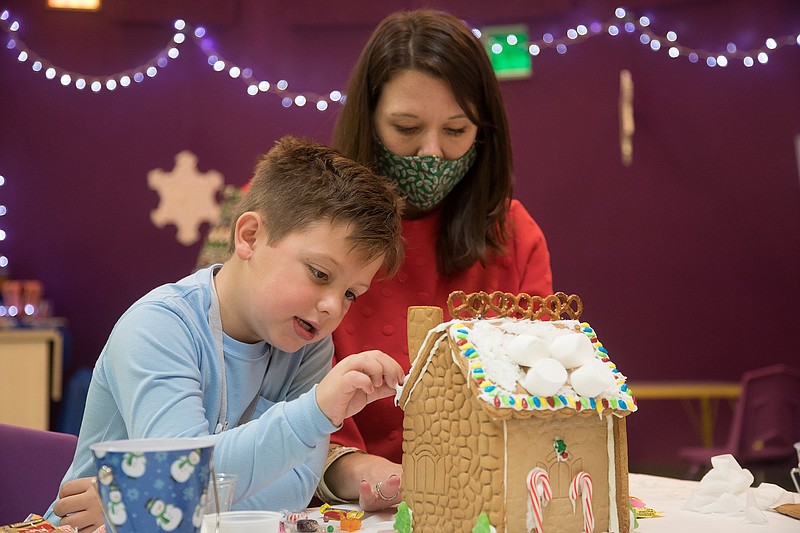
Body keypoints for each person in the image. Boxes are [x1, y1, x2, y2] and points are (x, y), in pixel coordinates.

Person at [45, 135, 406, 532]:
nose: (333, 307)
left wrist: (137, 497)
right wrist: (315, 411)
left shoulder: (308, 345)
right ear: (249, 236)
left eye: (351, 293)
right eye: (320, 274)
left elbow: (292, 492)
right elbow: (181, 483)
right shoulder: (158, 326)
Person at [317, 9, 553, 510]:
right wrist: (365, 473)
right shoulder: (316, 231)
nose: (431, 153)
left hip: (490, 497)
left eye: (456, 130)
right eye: (406, 127)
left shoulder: (512, 235)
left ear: (483, 133)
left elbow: (539, 399)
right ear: (368, 119)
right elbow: (278, 411)